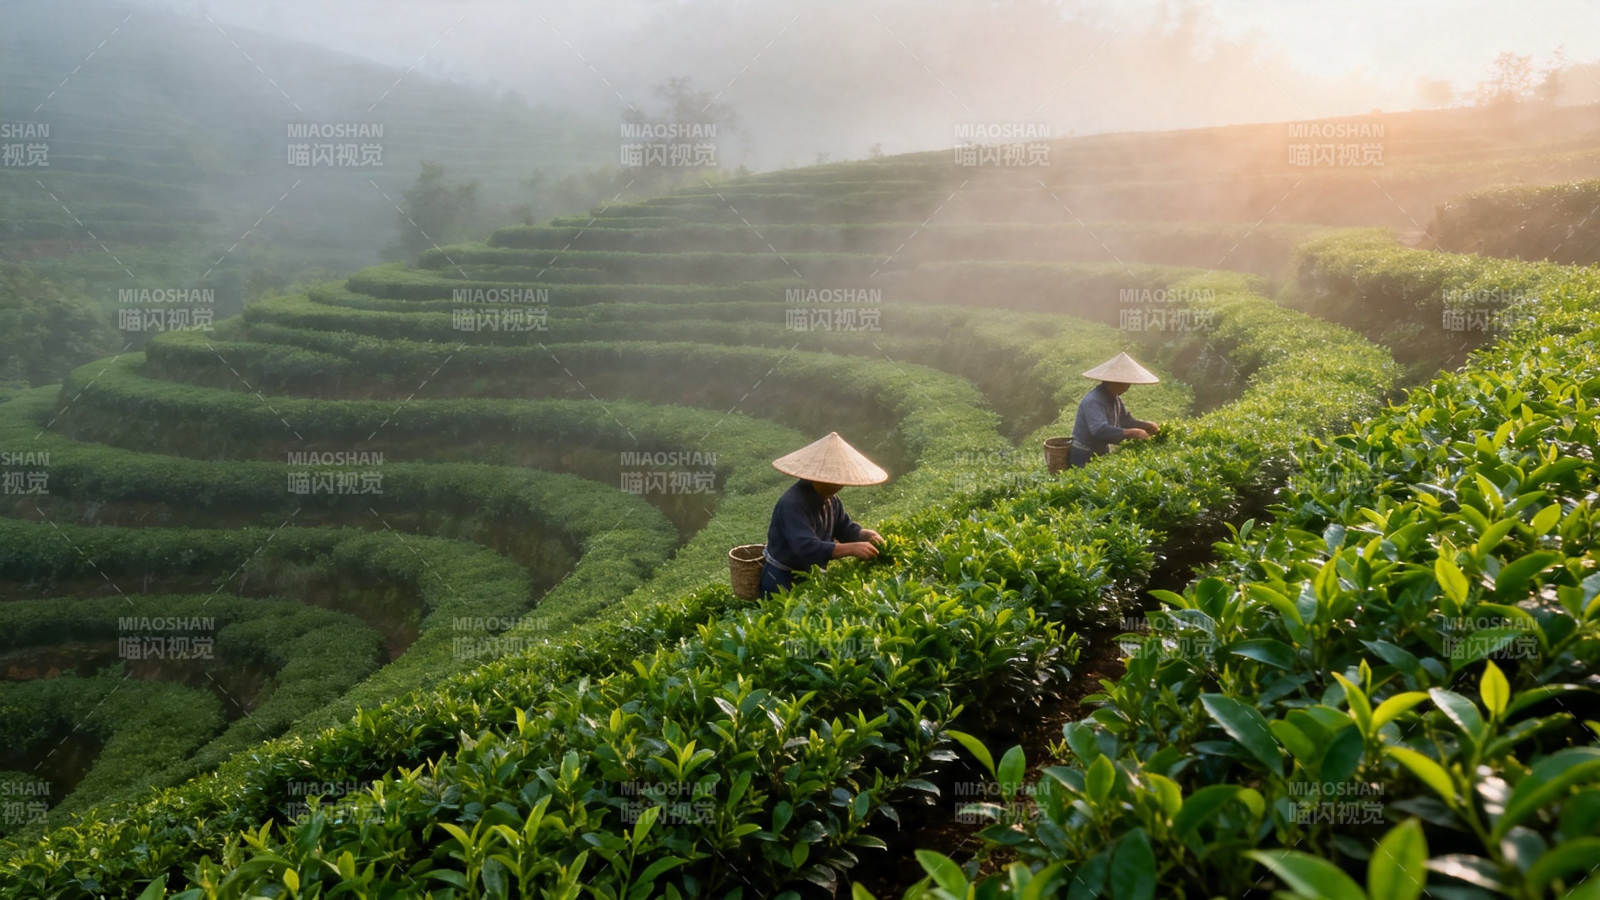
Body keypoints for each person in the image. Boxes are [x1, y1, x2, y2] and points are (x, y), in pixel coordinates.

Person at [759, 431, 887, 598]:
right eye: (833, 479)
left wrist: (864, 535)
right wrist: (852, 549)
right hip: (781, 579)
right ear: (816, 476)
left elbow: (844, 529)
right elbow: (806, 547)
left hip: (809, 575)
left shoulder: (832, 500)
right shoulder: (792, 503)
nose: (838, 485)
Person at [1068, 352, 1161, 469]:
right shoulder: (1093, 400)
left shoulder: (1115, 398)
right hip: (1084, 454)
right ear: (1113, 382)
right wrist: (1132, 433)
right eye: (1125, 384)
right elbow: (1099, 430)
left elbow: (1125, 421)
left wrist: (1146, 425)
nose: (1127, 388)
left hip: (1101, 450)